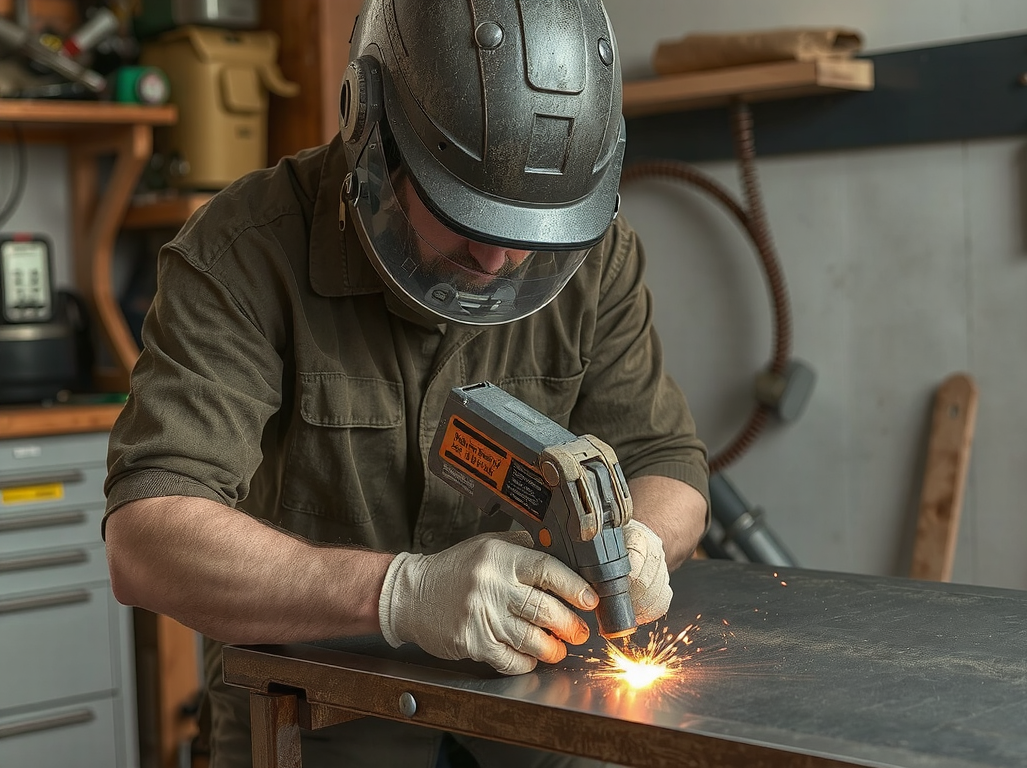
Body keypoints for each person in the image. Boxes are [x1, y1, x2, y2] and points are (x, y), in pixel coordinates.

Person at [101, 1, 709, 766]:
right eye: (465, 215)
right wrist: (401, 595)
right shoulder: (241, 253)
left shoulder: (594, 254)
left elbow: (670, 462)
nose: (499, 262)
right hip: (319, 726)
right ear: (374, 134)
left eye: (529, 234)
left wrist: (643, 540)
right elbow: (147, 540)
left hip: (537, 723)